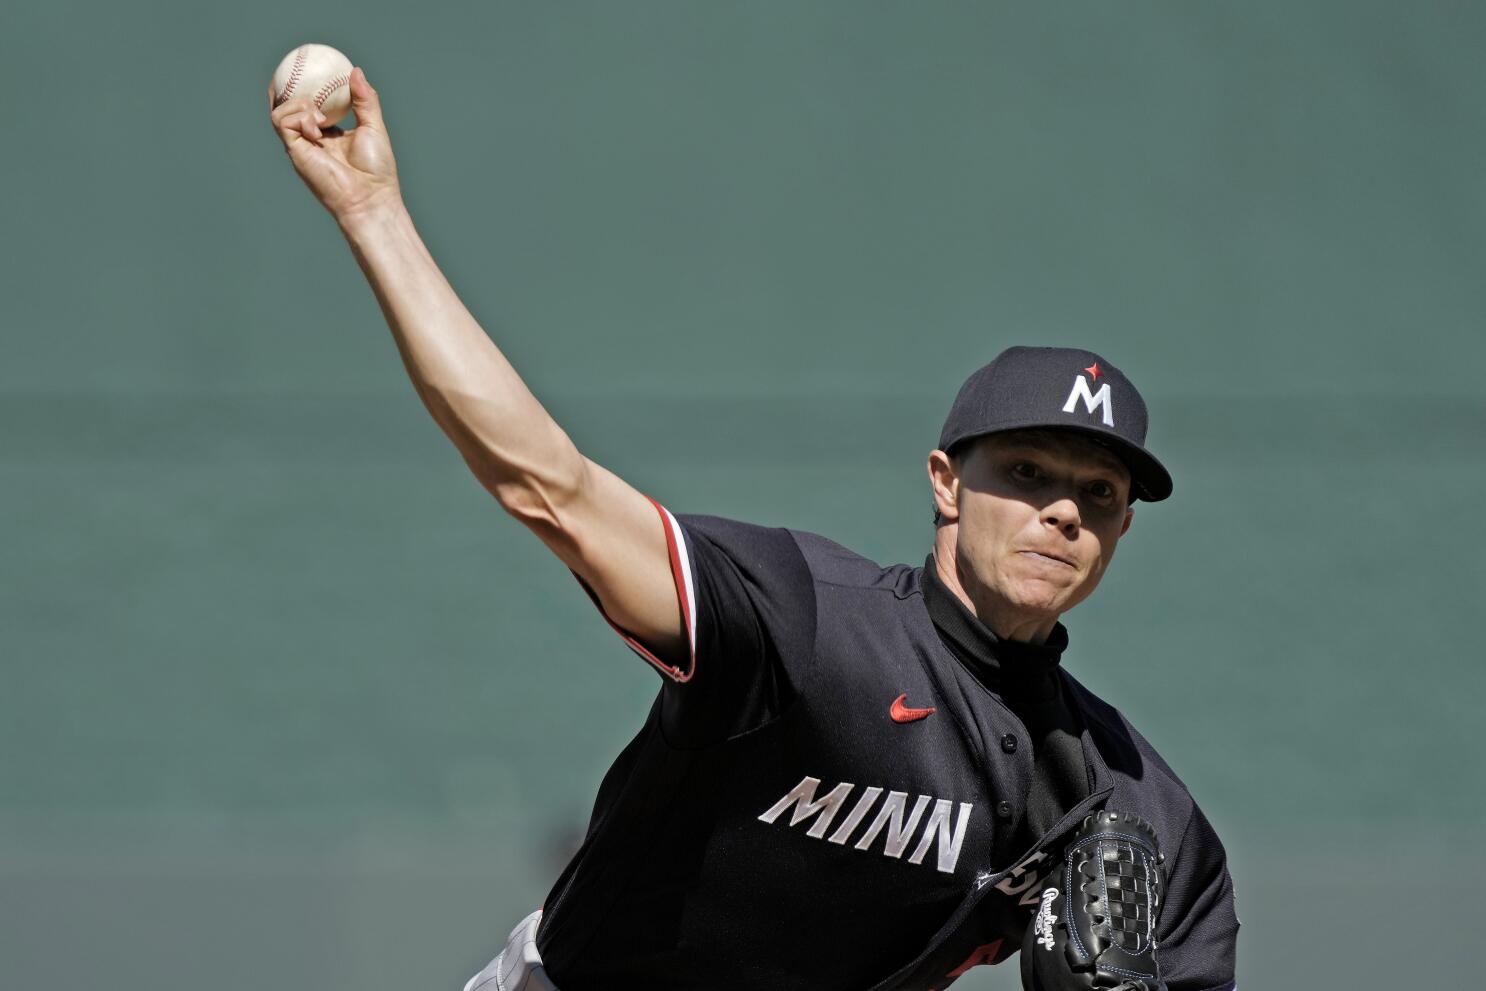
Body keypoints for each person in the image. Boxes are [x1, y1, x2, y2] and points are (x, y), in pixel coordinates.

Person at [269, 68, 1238, 991]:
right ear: (946, 483)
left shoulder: (1134, 801)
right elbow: (548, 485)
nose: (1063, 510)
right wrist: (374, 215)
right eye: (1025, 474)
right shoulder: (810, 628)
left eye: (1098, 495)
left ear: (1120, 530)